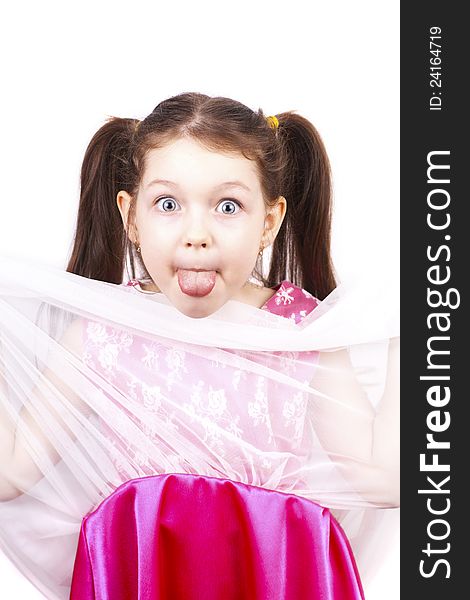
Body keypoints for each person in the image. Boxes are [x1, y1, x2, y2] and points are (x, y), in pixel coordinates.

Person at [0, 92, 399, 599]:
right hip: (145, 573)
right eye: (168, 204)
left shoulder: (299, 332)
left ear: (269, 222)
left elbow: (384, 480)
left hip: (271, 575)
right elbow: (12, 470)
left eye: (227, 206)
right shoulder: (101, 331)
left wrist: (407, 330)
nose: (196, 235)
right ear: (131, 217)